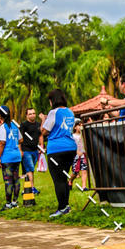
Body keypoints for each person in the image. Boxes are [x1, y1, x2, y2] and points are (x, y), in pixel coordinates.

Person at [41, 88, 76, 218]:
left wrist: (43, 119)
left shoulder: (53, 112)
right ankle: (66, 206)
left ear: (52, 100)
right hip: (70, 147)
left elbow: (44, 131)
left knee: (58, 180)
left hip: (56, 149)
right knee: (64, 177)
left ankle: (62, 207)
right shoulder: (70, 112)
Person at [0, 105, 23, 210]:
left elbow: (2, 143)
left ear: (1, 115)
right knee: (16, 180)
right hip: (16, 156)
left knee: (8, 181)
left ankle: (8, 204)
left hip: (7, 157)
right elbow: (21, 140)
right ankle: (15, 202)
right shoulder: (14, 125)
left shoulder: (3, 127)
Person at [20, 107, 41, 195]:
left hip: (35, 150)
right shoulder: (23, 125)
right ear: (26, 115)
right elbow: (20, 138)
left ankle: (27, 188)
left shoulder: (38, 124)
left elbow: (40, 135)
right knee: (29, 168)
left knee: (31, 170)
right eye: (30, 114)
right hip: (26, 150)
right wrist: (20, 150)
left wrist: (41, 146)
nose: (32, 115)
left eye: (33, 113)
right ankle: (32, 188)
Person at [68, 120, 88, 191]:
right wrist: (77, 152)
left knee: (84, 170)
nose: (80, 127)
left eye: (81, 125)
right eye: (79, 125)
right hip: (76, 156)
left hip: (83, 155)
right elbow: (71, 145)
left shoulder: (84, 135)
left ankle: (84, 186)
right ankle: (70, 181)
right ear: (75, 127)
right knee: (75, 172)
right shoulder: (73, 136)